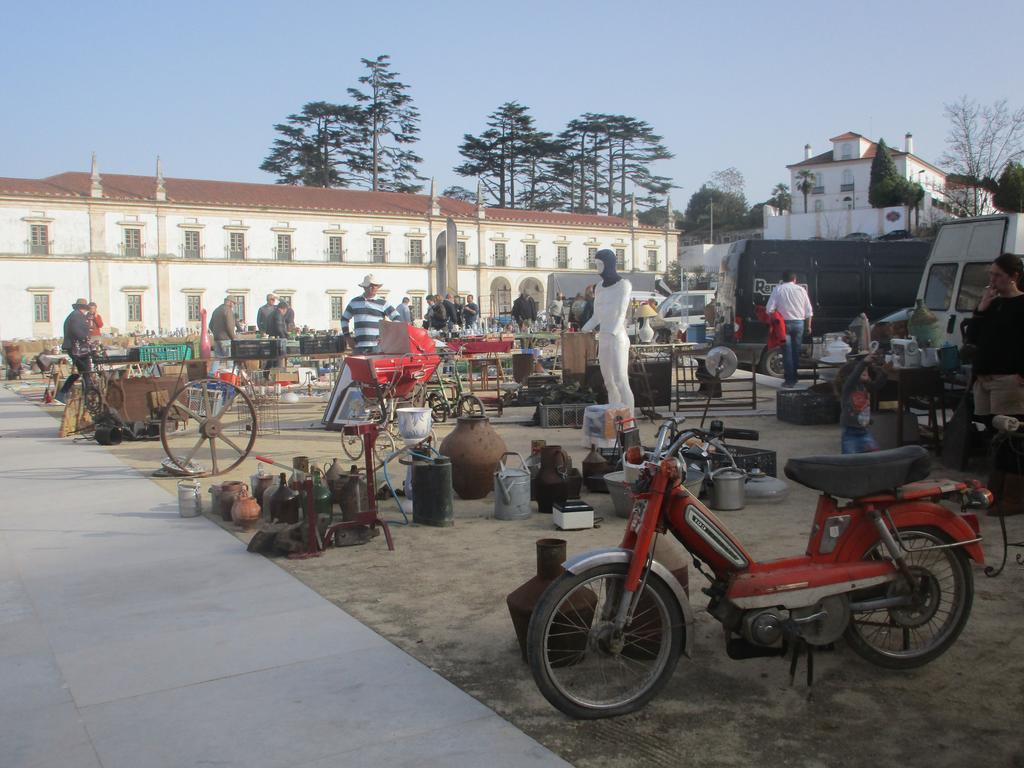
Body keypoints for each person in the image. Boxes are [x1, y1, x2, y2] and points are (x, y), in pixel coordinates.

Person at [964, 252, 1024, 420]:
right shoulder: (993, 304)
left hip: (1008, 380)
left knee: (1006, 434)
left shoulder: (1020, 304)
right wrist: (981, 309)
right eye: (991, 274)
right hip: (983, 379)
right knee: (984, 429)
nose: (992, 279)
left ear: (1014, 277)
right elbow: (972, 337)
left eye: (998, 275)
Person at [582, 249, 634, 412]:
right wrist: (583, 329)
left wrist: (612, 332)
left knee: (621, 379)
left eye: (600, 264)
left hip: (617, 337)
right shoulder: (599, 288)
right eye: (595, 264)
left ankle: (629, 420)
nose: (597, 267)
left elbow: (621, 312)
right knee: (609, 381)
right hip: (603, 338)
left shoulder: (624, 285)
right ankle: (615, 417)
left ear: (609, 264)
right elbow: (597, 316)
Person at [765, 271, 813, 388]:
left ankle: (789, 380)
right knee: (796, 352)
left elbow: (769, 309)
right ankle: (794, 378)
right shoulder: (801, 290)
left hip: (783, 324)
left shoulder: (778, 289)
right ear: (795, 279)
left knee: (787, 352)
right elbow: (809, 311)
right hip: (799, 323)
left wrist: (776, 317)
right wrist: (808, 326)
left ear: (783, 279)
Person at [836, 353, 887, 454]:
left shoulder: (865, 387)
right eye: (862, 370)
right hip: (850, 433)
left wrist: (883, 371)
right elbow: (853, 377)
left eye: (866, 370)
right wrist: (863, 363)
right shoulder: (848, 388)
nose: (865, 372)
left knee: (875, 456)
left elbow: (878, 385)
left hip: (864, 431)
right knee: (850, 461)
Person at [340, 274, 400, 354]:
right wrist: (348, 337)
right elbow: (344, 319)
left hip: (377, 346)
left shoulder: (382, 303)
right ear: (365, 287)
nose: (374, 288)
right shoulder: (354, 302)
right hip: (358, 345)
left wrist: (386, 335)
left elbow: (397, 318)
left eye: (375, 286)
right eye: (371, 286)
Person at [55, 298, 93, 404]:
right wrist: (85, 338)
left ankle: (62, 394)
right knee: (86, 371)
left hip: (76, 348)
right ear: (83, 308)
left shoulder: (76, 315)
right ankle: (87, 397)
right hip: (76, 349)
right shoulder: (77, 316)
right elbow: (76, 331)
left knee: (82, 371)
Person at [208, 297, 237, 375]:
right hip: (226, 339)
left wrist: (216, 333)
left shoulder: (216, 310)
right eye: (233, 303)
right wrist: (233, 338)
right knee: (230, 359)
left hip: (217, 339)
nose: (233, 305)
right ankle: (232, 376)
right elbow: (229, 326)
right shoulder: (228, 310)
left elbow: (210, 325)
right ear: (230, 302)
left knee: (217, 359)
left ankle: (211, 375)